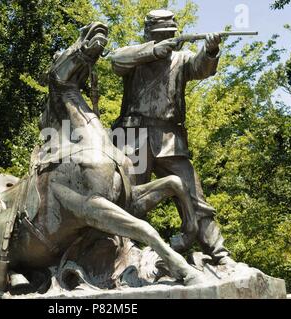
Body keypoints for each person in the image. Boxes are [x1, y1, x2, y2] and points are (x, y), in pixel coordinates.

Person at [110, 9, 234, 265]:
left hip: (169, 138)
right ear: (148, 35)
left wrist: (210, 51)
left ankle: (219, 253)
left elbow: (201, 68)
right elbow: (116, 60)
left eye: (167, 35)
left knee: (193, 194)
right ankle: (121, 256)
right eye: (158, 35)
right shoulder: (135, 58)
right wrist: (153, 51)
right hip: (132, 137)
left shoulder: (182, 59)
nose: (163, 39)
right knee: (127, 199)